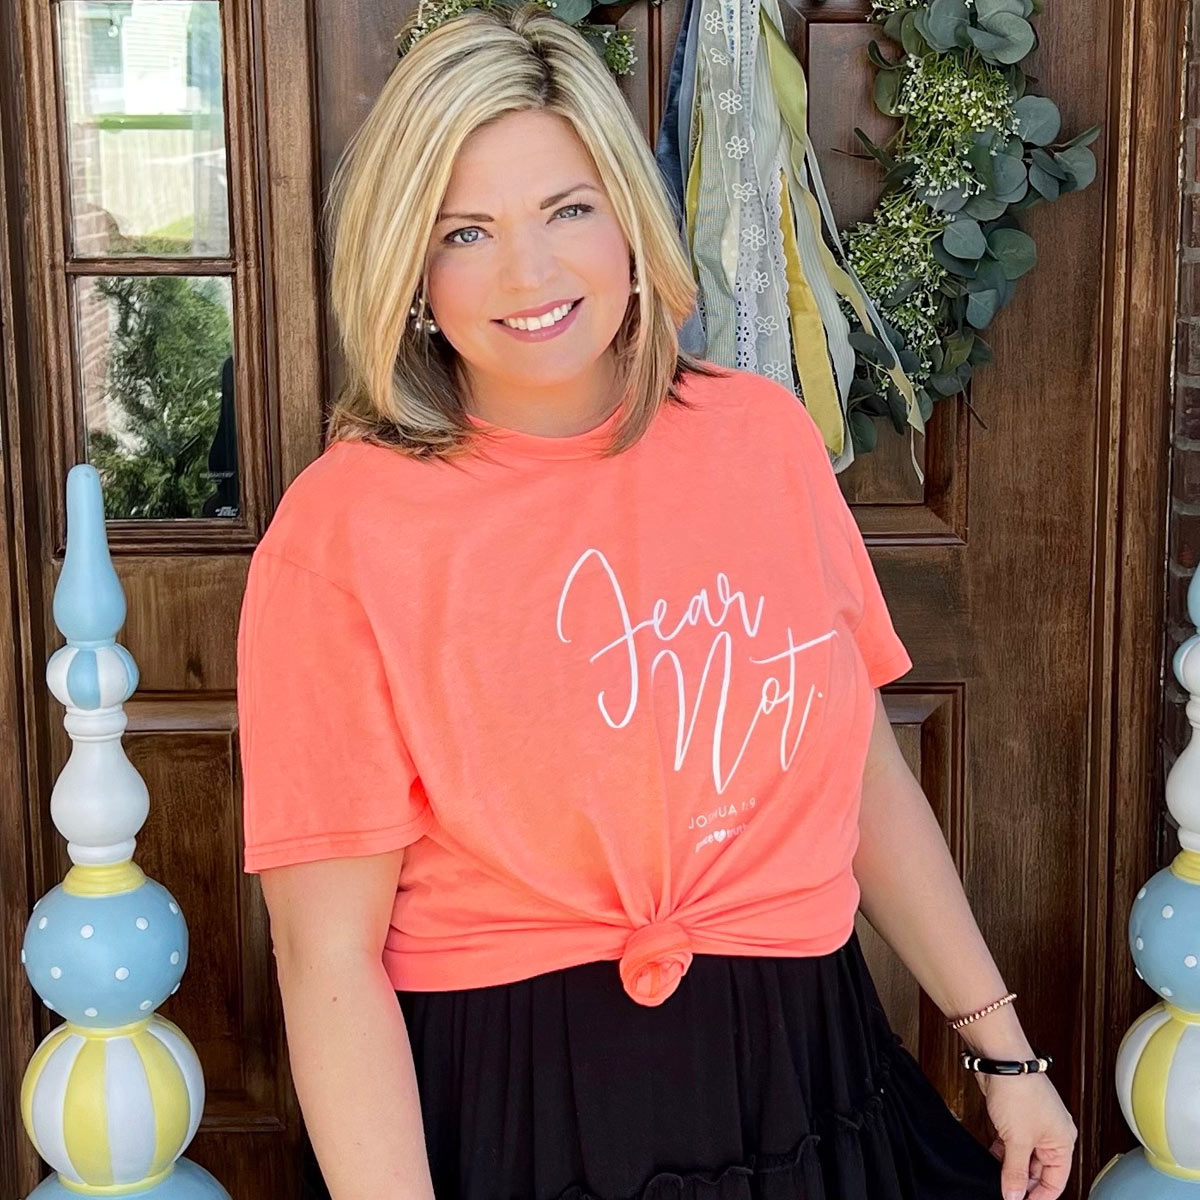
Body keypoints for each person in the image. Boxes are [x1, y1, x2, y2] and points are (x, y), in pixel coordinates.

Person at [235, 6, 1078, 1198]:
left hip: (808, 1075)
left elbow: (855, 769)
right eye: (466, 231)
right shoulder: (346, 528)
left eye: (568, 210)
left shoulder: (761, 440)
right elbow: (326, 955)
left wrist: (1003, 1050)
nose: (530, 273)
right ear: (412, 274)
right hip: (534, 1109)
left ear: (631, 220)